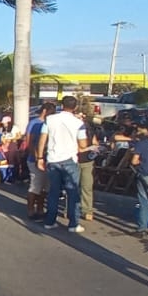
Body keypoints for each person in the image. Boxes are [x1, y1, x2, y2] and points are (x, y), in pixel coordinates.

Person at [38, 96, 87, 232]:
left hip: (53, 159)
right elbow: (82, 144)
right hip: (69, 159)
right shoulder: (78, 123)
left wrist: (40, 157)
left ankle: (50, 221)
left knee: (53, 191)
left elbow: (42, 139)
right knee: (72, 192)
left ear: (61, 105)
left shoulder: (50, 120)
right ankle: (73, 223)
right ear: (75, 107)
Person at [24, 102, 55, 220]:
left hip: (48, 160)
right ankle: (31, 209)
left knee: (45, 187)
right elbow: (29, 142)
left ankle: (41, 208)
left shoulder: (51, 123)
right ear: (44, 111)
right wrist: (37, 158)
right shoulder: (34, 123)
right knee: (35, 186)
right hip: (34, 160)